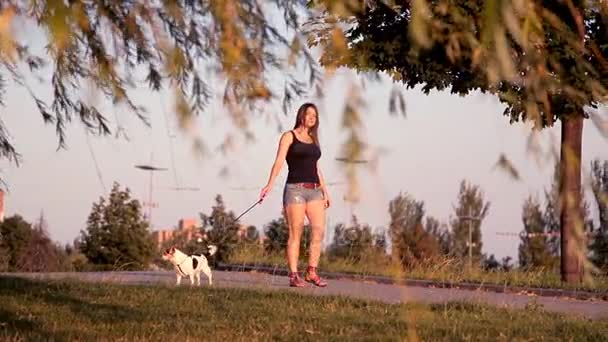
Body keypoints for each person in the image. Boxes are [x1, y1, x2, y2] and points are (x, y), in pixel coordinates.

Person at [260, 102, 330, 287]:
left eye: (315, 115)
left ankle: (311, 272)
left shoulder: (313, 140)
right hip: (295, 190)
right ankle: (293, 275)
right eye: (309, 114)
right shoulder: (289, 136)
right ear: (301, 116)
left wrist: (325, 191)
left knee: (318, 231)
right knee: (295, 233)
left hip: (315, 190)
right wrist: (269, 185)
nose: (312, 118)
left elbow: (315, 166)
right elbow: (279, 162)